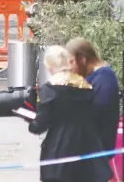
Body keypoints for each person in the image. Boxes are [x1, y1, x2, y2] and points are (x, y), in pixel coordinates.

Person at [28, 45, 112, 182]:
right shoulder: (86, 86)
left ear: (49, 66)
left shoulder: (50, 90)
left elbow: (40, 124)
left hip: (60, 148)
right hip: (88, 147)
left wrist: (31, 121)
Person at [66, 37, 120, 159]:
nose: (71, 68)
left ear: (83, 59)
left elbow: (94, 114)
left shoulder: (104, 79)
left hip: (96, 154)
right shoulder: (94, 77)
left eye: (72, 62)